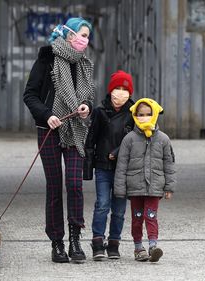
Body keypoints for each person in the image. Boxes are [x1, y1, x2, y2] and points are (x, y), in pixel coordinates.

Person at [23, 17, 95, 263]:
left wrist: (86, 106)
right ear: (68, 34)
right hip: (49, 129)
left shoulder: (84, 65)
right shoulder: (47, 58)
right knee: (54, 187)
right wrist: (48, 115)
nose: (84, 40)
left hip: (75, 129)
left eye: (87, 36)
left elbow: (88, 97)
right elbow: (30, 95)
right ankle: (57, 243)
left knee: (75, 185)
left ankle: (75, 239)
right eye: (81, 35)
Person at [114, 98, 176, 262]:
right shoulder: (129, 139)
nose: (144, 117)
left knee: (151, 216)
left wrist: (169, 187)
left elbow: (169, 164)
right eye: (140, 114)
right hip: (135, 187)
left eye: (148, 114)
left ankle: (153, 246)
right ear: (135, 115)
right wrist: (120, 189)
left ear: (155, 115)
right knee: (137, 218)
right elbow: (121, 165)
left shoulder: (163, 139)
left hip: (154, 187)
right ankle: (138, 247)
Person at [83, 70, 135, 260]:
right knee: (102, 205)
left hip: (124, 169)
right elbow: (90, 140)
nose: (120, 93)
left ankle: (114, 243)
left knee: (119, 209)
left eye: (124, 89)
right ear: (110, 90)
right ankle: (98, 241)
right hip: (103, 167)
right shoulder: (100, 111)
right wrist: (88, 168)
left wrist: (118, 153)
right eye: (117, 88)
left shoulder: (133, 113)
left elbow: (135, 140)